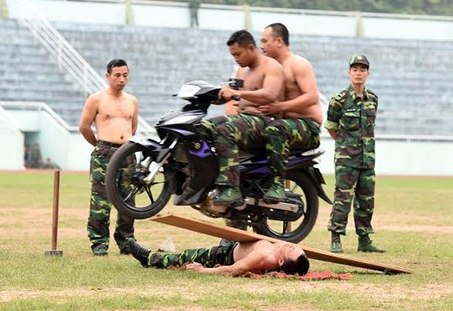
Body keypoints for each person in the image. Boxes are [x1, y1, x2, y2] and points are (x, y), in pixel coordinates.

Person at [200, 30, 284, 206]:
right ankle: (206, 179)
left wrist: (237, 94)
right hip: (243, 120)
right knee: (202, 128)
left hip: (263, 121)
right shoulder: (241, 71)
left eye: (238, 54)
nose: (235, 58)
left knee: (224, 131)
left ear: (251, 48)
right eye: (233, 55)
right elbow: (229, 89)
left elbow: (270, 94)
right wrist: (214, 95)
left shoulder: (271, 66)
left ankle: (232, 187)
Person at [255, 23, 323, 203]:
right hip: (281, 124)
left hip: (306, 126)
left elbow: (312, 97)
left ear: (279, 41)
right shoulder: (268, 67)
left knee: (275, 130)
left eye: (265, 41)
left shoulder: (297, 64)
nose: (261, 45)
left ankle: (277, 183)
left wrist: (280, 107)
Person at [325, 54, 385, 254]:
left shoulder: (373, 100)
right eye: (355, 69)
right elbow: (331, 127)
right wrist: (345, 145)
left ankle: (364, 239)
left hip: (367, 159)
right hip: (346, 159)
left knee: (366, 199)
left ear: (368, 73)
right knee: (343, 198)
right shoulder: (339, 100)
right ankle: (336, 237)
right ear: (349, 72)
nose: (358, 73)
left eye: (362, 69)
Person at [79, 58, 138, 256]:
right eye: (117, 75)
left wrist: (124, 145)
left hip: (127, 153)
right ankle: (99, 242)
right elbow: (84, 127)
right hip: (105, 152)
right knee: (100, 199)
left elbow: (133, 127)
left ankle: (127, 240)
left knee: (128, 199)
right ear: (108, 76)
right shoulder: (96, 99)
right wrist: (99, 145)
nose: (122, 79)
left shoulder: (132, 101)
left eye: (125, 75)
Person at [127, 239, 309, 276]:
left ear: (280, 262)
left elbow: (234, 269)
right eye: (296, 248)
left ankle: (148, 257)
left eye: (291, 249)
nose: (292, 246)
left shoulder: (263, 256)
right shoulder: (282, 252)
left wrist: (203, 270)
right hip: (234, 242)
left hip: (224, 255)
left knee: (187, 256)